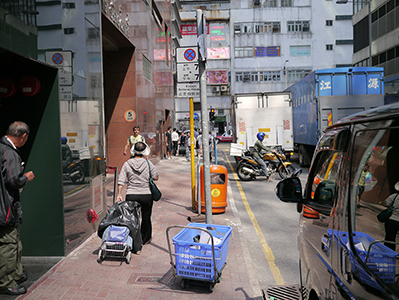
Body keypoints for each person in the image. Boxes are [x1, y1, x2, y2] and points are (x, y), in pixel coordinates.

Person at [0, 121, 35, 295]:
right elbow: (13, 180)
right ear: (23, 136)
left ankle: (16, 273)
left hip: (4, 206)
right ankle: (6, 282)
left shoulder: (2, 148)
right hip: (5, 208)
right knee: (9, 244)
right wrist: (26, 177)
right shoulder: (9, 152)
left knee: (13, 243)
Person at [116, 142, 159, 254]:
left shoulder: (127, 164)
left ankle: (135, 242)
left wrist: (119, 194)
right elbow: (156, 177)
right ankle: (145, 239)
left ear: (133, 150)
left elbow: (121, 180)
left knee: (132, 219)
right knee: (146, 217)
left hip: (131, 194)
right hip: (146, 195)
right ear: (145, 151)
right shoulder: (148, 163)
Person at [382, 181, 399, 251]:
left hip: (392, 220)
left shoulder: (394, 196)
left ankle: (388, 251)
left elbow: (385, 203)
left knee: (389, 237)